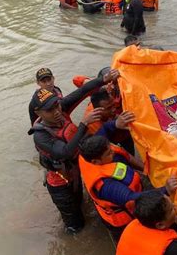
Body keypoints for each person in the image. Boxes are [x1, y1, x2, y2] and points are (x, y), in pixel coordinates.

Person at [28, 69, 120, 234]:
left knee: (81, 202)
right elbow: (65, 152)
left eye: (57, 105)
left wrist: (103, 79)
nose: (56, 111)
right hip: (60, 184)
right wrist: (84, 124)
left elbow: (83, 92)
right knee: (75, 225)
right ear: (38, 113)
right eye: (50, 110)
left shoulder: (61, 107)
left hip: (76, 173)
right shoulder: (40, 136)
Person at [78, 135, 177, 242]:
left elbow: (105, 131)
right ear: (95, 162)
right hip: (122, 220)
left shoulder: (92, 150)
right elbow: (131, 198)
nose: (113, 151)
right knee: (132, 239)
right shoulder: (105, 186)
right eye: (108, 153)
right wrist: (165, 190)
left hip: (130, 193)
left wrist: (116, 124)